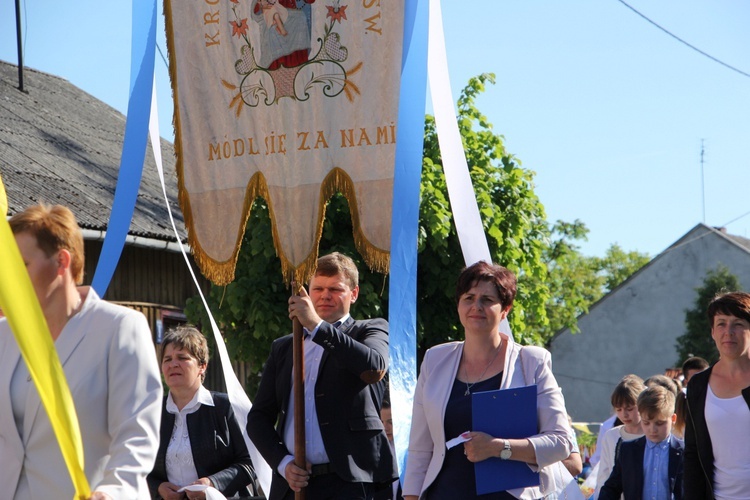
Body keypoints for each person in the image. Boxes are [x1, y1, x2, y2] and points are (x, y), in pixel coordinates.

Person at [0, 204, 162, 499]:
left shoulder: (120, 328)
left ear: (62, 262)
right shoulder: (2, 335)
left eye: (21, 266)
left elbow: (137, 436)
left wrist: (112, 492)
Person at [402, 261, 573, 499]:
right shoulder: (434, 359)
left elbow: (561, 442)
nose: (476, 306)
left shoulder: (532, 361)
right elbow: (420, 449)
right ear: (458, 305)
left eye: (488, 300)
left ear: (506, 309)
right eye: (469, 297)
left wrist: (498, 448)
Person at [246, 252, 397, 500]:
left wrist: (316, 326)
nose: (325, 295)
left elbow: (373, 367)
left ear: (354, 294)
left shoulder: (370, 329)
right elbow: (258, 419)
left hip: (349, 482)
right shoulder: (284, 348)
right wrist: (283, 463)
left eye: (335, 289)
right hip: (294, 484)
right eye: (318, 288)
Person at [148, 326, 256, 499]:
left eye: (182, 358)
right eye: (167, 359)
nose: (173, 364)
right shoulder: (152, 412)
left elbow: (251, 462)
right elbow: (136, 463)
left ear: (202, 366)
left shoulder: (225, 407)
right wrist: (157, 488)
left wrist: (212, 483)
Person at [684, 292, 750, 499]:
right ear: (712, 331)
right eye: (721, 324)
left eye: (738, 323)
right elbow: (692, 452)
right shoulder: (698, 385)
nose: (728, 332)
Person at [599, 385, 684, 500]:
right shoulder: (628, 450)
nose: (652, 429)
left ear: (673, 419)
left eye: (659, 423)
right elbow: (611, 488)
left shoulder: (685, 452)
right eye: (646, 423)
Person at [593, 374, 645, 498]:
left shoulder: (652, 435)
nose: (624, 415)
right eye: (619, 409)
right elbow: (603, 475)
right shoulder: (611, 435)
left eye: (630, 409)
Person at [373, 400, 403, 500]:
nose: (385, 428)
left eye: (391, 422)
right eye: (381, 422)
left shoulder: (412, 450)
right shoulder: (373, 450)